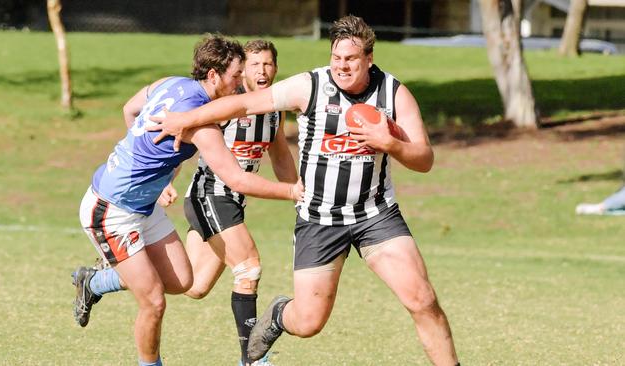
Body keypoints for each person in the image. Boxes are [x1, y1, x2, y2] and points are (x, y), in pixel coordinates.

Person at [148, 15, 460, 366]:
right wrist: (185, 119)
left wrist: (390, 143)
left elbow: (424, 159)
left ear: (369, 59)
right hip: (319, 220)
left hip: (375, 215)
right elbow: (244, 104)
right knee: (309, 323)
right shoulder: (310, 86)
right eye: (336, 57)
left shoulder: (393, 93)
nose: (342, 66)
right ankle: (280, 314)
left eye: (351, 59)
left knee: (422, 300)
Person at [71, 34, 303, 366]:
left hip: (143, 208)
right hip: (110, 210)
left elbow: (132, 109)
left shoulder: (172, 84)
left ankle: (94, 280)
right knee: (154, 301)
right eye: (237, 75)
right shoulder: (203, 126)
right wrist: (295, 191)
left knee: (185, 282)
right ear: (214, 76)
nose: (241, 83)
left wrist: (152, 166)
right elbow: (236, 178)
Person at [166, 39, 296, 366]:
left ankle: (100, 279)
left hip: (232, 202)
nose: (262, 70)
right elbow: (186, 139)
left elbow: (279, 156)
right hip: (210, 194)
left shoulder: (274, 110)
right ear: (242, 72)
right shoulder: (225, 104)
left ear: (275, 69)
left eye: (268, 64)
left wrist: (299, 194)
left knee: (193, 285)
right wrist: (165, 183)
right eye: (254, 65)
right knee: (249, 267)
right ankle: (253, 359)